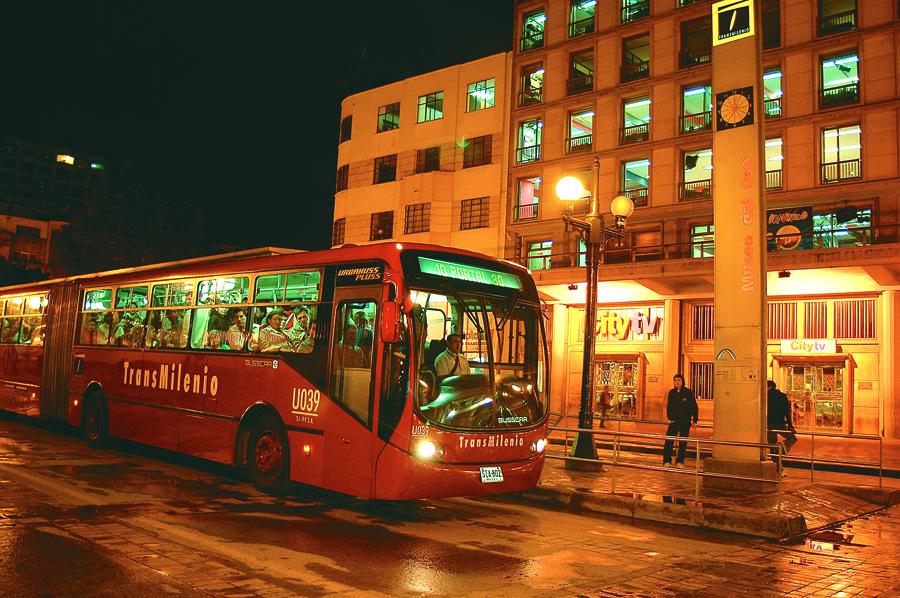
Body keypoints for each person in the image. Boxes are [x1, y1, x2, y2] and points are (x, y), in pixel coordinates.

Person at [662, 373, 698, 468]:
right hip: (674, 421)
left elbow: (694, 407)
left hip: (685, 422)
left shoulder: (688, 392)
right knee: (669, 441)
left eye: (679, 380)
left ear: (682, 382)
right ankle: (667, 461)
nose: (677, 382)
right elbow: (669, 406)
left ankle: (680, 461)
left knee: (683, 443)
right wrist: (670, 418)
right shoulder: (672, 392)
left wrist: (695, 421)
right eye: (675, 380)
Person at [767, 380, 797, 475]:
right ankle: (779, 469)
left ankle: (778, 469)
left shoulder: (765, 396)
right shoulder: (783, 396)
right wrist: (790, 425)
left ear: (769, 386)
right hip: (780, 423)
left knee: (772, 446)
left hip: (769, 425)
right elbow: (786, 412)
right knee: (792, 438)